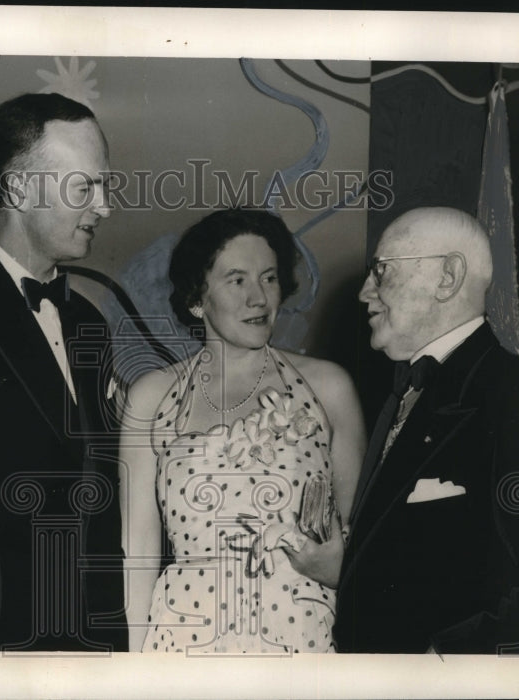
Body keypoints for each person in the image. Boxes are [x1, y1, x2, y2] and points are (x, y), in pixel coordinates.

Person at [334, 206, 519, 654]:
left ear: (448, 277)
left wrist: (444, 666)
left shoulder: (515, 393)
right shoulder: (405, 389)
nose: (365, 292)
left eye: (381, 271)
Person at [0, 93, 127, 651]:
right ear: (17, 190)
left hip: (98, 637)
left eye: (104, 186)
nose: (105, 207)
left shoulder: (89, 321)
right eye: (84, 188)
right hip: (2, 639)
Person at [121, 208, 366, 653]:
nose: (259, 298)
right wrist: (135, 672)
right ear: (197, 298)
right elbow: (137, 553)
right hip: (185, 640)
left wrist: (338, 568)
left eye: (269, 278)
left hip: (300, 639)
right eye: (237, 280)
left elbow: (364, 540)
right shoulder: (151, 397)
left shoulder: (328, 387)